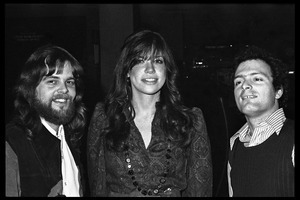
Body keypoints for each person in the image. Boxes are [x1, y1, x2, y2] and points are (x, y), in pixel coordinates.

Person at [87, 30, 212, 197]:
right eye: (140, 61)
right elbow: (98, 186)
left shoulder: (190, 121)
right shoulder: (104, 118)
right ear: (127, 71)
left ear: (167, 70)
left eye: (158, 61)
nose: (150, 69)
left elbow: (200, 191)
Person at [5, 45, 87, 197]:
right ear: (31, 88)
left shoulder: (71, 138)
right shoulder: (13, 142)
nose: (64, 89)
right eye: (52, 82)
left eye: (69, 82)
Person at [227, 45, 294, 197]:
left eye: (257, 78)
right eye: (238, 82)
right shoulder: (234, 144)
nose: (244, 86)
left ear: (278, 91)